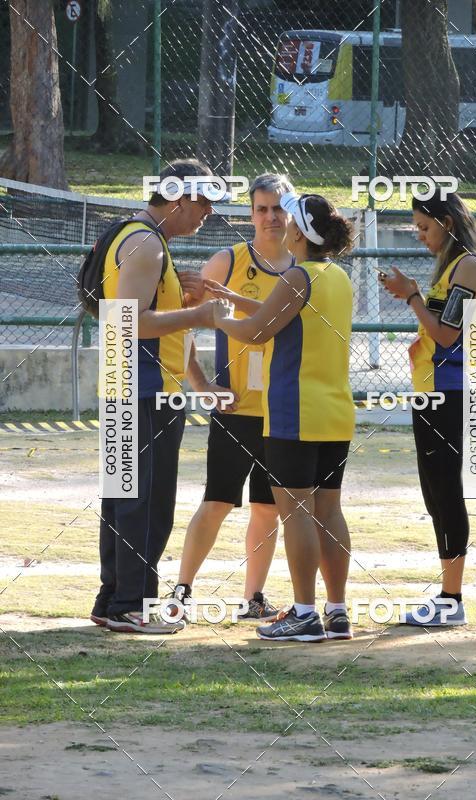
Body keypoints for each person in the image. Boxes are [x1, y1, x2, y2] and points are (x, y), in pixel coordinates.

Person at [209, 192, 355, 642]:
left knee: (295, 514)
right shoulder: (336, 276)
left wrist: (214, 316)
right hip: (335, 412)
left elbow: (256, 331)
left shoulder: (295, 274)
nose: (281, 225)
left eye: (289, 219)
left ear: (299, 232)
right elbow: (279, 315)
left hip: (294, 413)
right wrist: (232, 298)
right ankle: (335, 610)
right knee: (328, 510)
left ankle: (305, 614)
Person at [91, 158, 221, 634]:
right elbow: (129, 323)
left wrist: (184, 312)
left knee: (126, 496)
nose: (207, 211)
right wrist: (199, 316)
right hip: (142, 390)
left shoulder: (144, 239)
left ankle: (114, 600)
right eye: (202, 201)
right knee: (145, 501)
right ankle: (133, 604)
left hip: (133, 385)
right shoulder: (145, 243)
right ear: (175, 196)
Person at [169, 174, 295, 620]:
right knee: (218, 501)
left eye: (278, 208)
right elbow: (180, 319)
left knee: (268, 508)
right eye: (261, 209)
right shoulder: (228, 261)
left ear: (291, 211)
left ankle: (254, 598)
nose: (270, 217)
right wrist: (202, 384)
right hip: (236, 408)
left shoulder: (303, 266)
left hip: (284, 413)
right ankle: (181, 591)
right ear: (250, 214)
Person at [381, 188, 476, 626]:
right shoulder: (451, 267)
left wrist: (411, 296)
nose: (421, 236)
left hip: (451, 393)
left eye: (425, 227)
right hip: (432, 391)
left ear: (447, 223)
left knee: (445, 491)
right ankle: (448, 593)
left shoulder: (467, 265)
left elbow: (449, 335)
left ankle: (452, 598)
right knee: (435, 492)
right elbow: (441, 332)